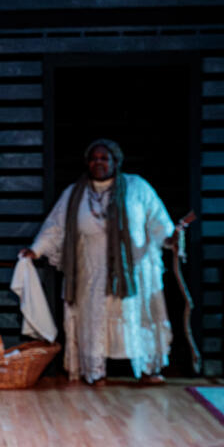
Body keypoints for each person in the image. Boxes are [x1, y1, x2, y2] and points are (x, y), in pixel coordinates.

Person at [20, 139, 176, 385]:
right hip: (90, 270)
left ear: (115, 161)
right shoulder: (75, 193)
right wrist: (36, 250)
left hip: (131, 273)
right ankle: (95, 371)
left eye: (104, 158)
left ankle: (147, 369)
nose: (98, 163)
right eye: (94, 158)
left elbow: (157, 221)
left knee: (136, 317)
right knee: (94, 320)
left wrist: (170, 238)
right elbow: (55, 227)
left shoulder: (137, 188)